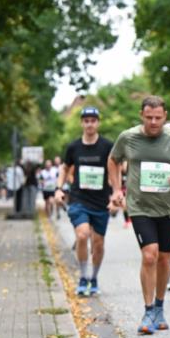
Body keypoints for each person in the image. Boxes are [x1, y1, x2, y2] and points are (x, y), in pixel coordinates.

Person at [108, 96, 170, 334]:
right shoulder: (128, 137)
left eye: (158, 118)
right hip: (139, 206)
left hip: (168, 207)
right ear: (141, 115)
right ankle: (148, 308)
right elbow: (113, 160)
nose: (153, 122)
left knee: (164, 258)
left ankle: (160, 307)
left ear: (165, 116)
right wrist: (115, 189)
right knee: (150, 255)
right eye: (149, 117)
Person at [56, 106, 114, 297]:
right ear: (82, 123)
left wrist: (116, 193)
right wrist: (58, 189)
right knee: (82, 235)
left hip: (100, 201)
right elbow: (65, 168)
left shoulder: (107, 146)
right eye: (86, 120)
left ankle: (94, 277)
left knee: (98, 243)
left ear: (98, 123)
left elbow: (115, 169)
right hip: (79, 198)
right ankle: (83, 276)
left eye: (93, 120)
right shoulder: (74, 147)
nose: (90, 124)